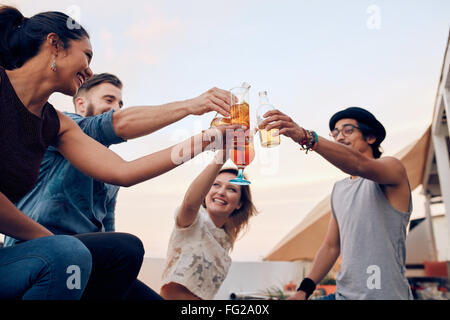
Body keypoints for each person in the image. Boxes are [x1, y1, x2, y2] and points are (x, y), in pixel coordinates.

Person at [0, 6, 236, 299]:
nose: (90, 70)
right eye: (87, 55)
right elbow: (116, 124)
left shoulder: (54, 124)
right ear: (54, 44)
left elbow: (125, 172)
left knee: (125, 250)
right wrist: (192, 105)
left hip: (66, 256)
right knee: (68, 253)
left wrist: (207, 139)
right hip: (40, 253)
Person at [260, 107, 413, 300]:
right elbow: (331, 246)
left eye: (348, 130)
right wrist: (303, 291)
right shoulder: (339, 189)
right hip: (343, 295)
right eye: (335, 133)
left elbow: (359, 164)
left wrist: (305, 136)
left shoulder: (393, 169)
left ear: (371, 138)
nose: (340, 137)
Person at [160, 147, 258, 300]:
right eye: (215, 185)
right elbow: (189, 204)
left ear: (239, 203)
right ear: (205, 191)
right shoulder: (194, 219)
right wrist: (223, 154)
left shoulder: (225, 239)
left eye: (231, 189)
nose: (221, 192)